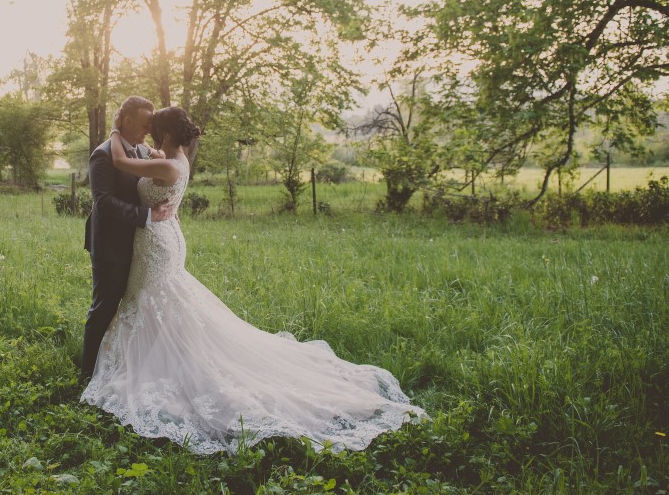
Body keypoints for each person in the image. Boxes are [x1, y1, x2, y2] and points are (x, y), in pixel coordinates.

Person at [81, 106, 426, 453]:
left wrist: (112, 130)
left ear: (168, 135)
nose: (149, 136)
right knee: (162, 303)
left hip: (157, 241)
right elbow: (135, 179)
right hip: (161, 238)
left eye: (154, 130)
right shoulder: (175, 160)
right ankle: (158, 357)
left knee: (157, 301)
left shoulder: (163, 162)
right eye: (144, 128)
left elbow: (124, 164)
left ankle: (162, 363)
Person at [81, 96, 175, 382]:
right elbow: (104, 202)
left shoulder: (138, 151)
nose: (148, 130)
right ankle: (86, 373)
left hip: (134, 244)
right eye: (144, 124)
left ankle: (114, 365)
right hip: (110, 245)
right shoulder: (103, 154)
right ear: (126, 120)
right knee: (105, 307)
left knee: (126, 307)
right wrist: (147, 215)